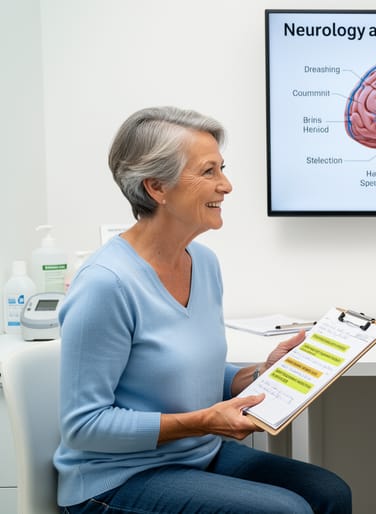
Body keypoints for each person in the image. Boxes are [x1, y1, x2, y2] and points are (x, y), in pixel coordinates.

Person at [55, 106, 352, 514]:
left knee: (329, 492)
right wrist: (202, 421)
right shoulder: (106, 284)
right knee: (285, 512)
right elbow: (83, 426)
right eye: (209, 172)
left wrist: (263, 374)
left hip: (195, 455)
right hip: (116, 480)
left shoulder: (203, 262)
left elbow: (191, 375)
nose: (226, 185)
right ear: (157, 187)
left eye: (222, 169)